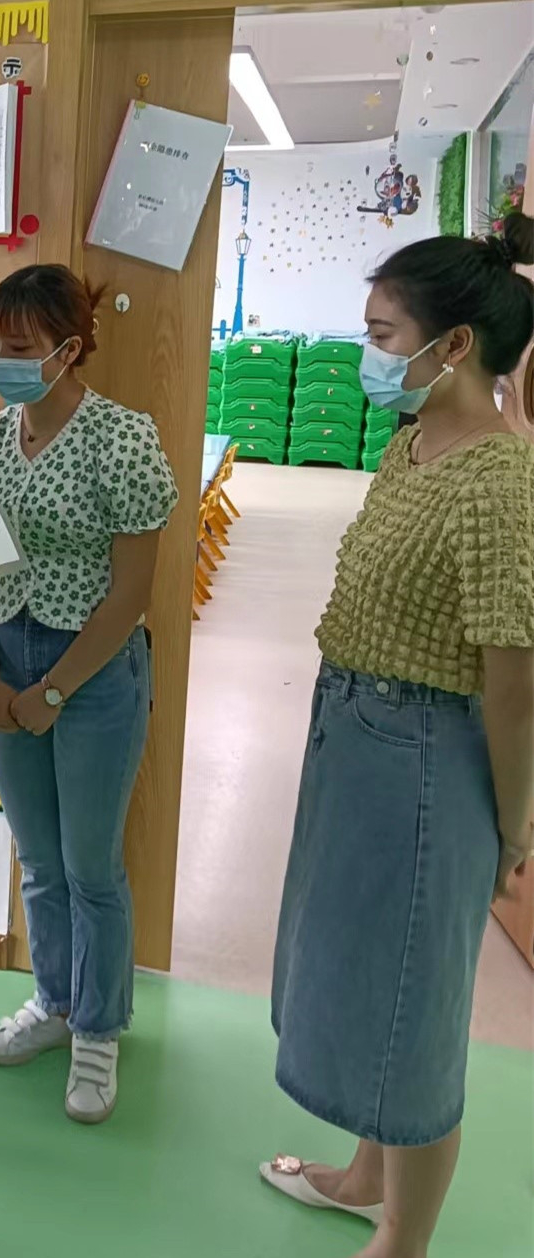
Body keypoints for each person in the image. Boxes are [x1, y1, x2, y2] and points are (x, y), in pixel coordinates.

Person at [262, 214, 534, 1258]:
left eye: (383, 336)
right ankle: (365, 1174)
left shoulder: (498, 481)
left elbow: (513, 682)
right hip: (358, 734)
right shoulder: (412, 443)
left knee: (412, 1002)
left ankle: (401, 1239)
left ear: (453, 345)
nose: (368, 355)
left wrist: (512, 825)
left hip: (427, 754)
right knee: (368, 971)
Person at [0, 265, 178, 1124]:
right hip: (5, 656)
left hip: (93, 667)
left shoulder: (121, 439)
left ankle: (97, 1027)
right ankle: (52, 1000)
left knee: (90, 866)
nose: (1, 362)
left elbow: (130, 593)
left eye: (18, 347)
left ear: (68, 349)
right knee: (38, 859)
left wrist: (52, 692)